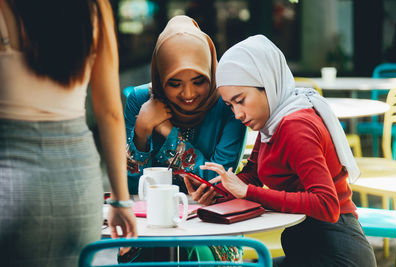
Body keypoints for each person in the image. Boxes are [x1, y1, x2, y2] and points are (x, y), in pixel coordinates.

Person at [199, 35, 377, 267]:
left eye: (240, 100)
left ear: (268, 83)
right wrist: (216, 188)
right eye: (230, 105)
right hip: (311, 247)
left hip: (337, 253)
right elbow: (252, 175)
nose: (237, 114)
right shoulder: (272, 123)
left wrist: (248, 192)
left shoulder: (295, 126)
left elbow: (326, 204)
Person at [0, 1, 137, 266]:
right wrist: (121, 201)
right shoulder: (95, 8)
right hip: (78, 185)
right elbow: (110, 113)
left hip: (10, 181)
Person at [122, 15, 246, 262]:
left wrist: (167, 131)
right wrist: (142, 132)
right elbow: (132, 187)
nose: (188, 94)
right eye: (174, 83)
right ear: (160, 76)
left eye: (199, 80)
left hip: (213, 230)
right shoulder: (139, 100)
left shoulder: (228, 103)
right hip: (151, 230)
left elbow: (215, 181)